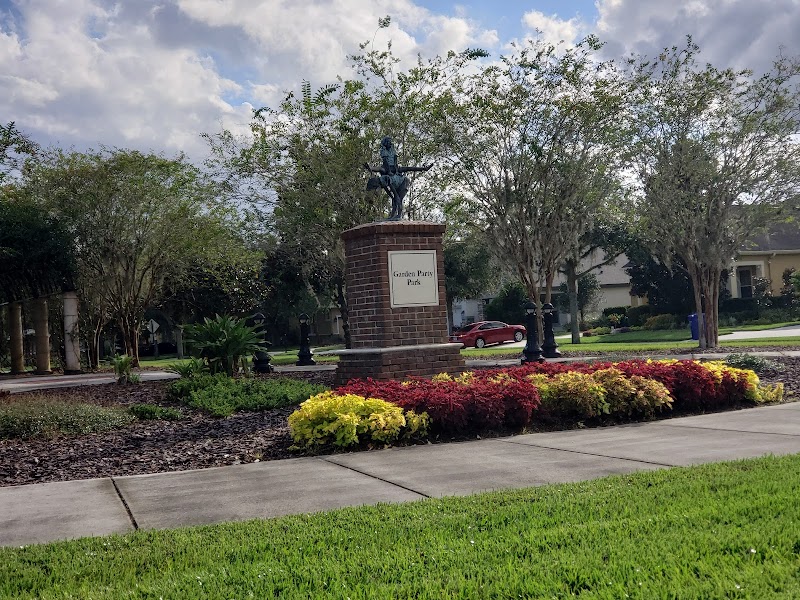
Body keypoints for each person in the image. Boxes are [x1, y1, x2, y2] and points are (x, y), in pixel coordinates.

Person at [364, 136, 432, 220]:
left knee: (398, 198)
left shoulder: (387, 178)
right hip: (390, 174)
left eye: (390, 142)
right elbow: (383, 165)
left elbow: (405, 166)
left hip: (403, 182)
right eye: (388, 142)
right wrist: (371, 168)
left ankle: (398, 215)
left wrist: (396, 170)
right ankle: (392, 216)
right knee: (395, 199)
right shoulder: (384, 178)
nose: (390, 143)